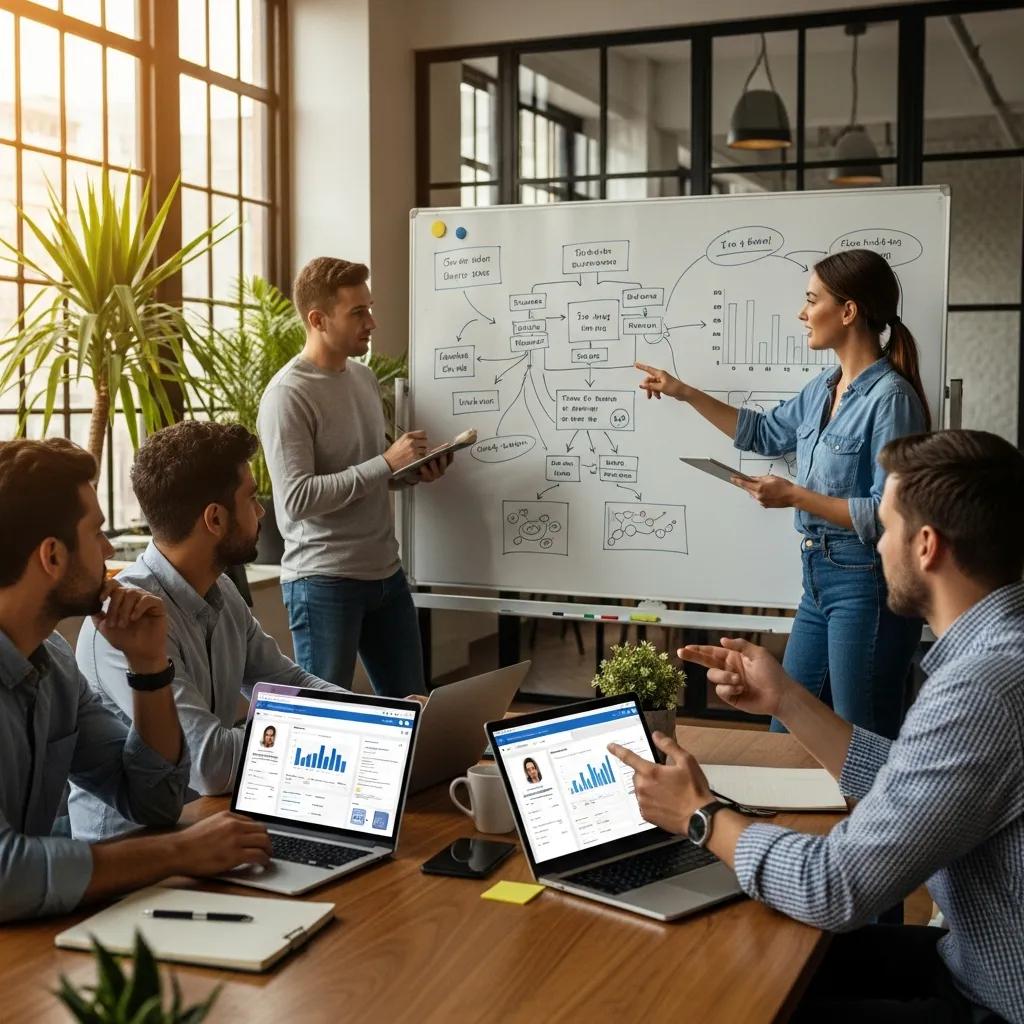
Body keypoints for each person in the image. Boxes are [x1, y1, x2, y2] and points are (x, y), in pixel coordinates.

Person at [609, 429, 1023, 1023]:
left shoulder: (981, 687)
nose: (877, 547)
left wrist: (699, 816)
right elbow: (918, 790)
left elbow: (836, 888)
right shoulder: (1001, 651)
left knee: (726, 997)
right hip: (973, 963)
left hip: (997, 1003)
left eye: (885, 528)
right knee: (746, 956)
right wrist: (788, 701)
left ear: (926, 546)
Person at [636, 248, 929, 739]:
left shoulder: (891, 399)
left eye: (811, 300)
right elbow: (764, 433)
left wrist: (795, 497)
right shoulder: (823, 388)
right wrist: (683, 391)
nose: (802, 312)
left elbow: (890, 515)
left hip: (867, 582)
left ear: (848, 311)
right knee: (785, 730)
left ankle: (874, 819)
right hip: (817, 577)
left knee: (864, 733)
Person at [0, 438, 271, 922]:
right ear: (53, 557)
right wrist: (180, 853)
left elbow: (156, 799)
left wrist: (148, 668)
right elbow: (6, 874)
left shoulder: (55, 664)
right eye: (97, 533)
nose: (108, 550)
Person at [70, 421, 364, 842]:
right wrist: (338, 733)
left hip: (212, 825)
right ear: (215, 518)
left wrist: (380, 721)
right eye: (251, 498)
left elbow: (287, 681)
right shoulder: (124, 623)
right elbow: (209, 765)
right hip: (134, 853)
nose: (262, 511)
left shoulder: (220, 588)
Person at [258, 257, 452, 697]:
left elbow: (363, 474)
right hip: (323, 582)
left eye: (370, 308)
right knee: (325, 721)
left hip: (386, 574)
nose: (372, 322)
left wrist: (408, 474)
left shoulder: (363, 379)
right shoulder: (288, 395)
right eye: (358, 312)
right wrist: (385, 463)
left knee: (413, 710)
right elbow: (298, 499)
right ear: (317, 319)